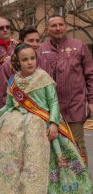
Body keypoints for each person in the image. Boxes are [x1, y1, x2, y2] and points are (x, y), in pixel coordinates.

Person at [0, 43, 93, 194]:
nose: (29, 62)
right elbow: (9, 106)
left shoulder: (43, 78)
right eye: (25, 59)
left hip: (40, 128)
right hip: (15, 130)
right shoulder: (13, 82)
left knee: (40, 169)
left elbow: (54, 103)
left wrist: (52, 124)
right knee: (20, 170)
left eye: (32, 58)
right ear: (18, 61)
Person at [37, 15, 93, 165]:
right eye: (54, 26)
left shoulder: (79, 46)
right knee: (54, 150)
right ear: (47, 29)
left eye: (61, 24)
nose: (58, 28)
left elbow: (90, 75)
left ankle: (83, 185)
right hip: (48, 111)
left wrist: (91, 101)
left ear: (66, 26)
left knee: (77, 147)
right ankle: (61, 186)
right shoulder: (41, 50)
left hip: (74, 107)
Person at [0, 26, 41, 107]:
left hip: (41, 111)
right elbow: (3, 95)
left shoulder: (43, 61)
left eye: (37, 41)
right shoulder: (8, 65)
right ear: (21, 42)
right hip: (17, 111)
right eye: (31, 41)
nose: (35, 44)